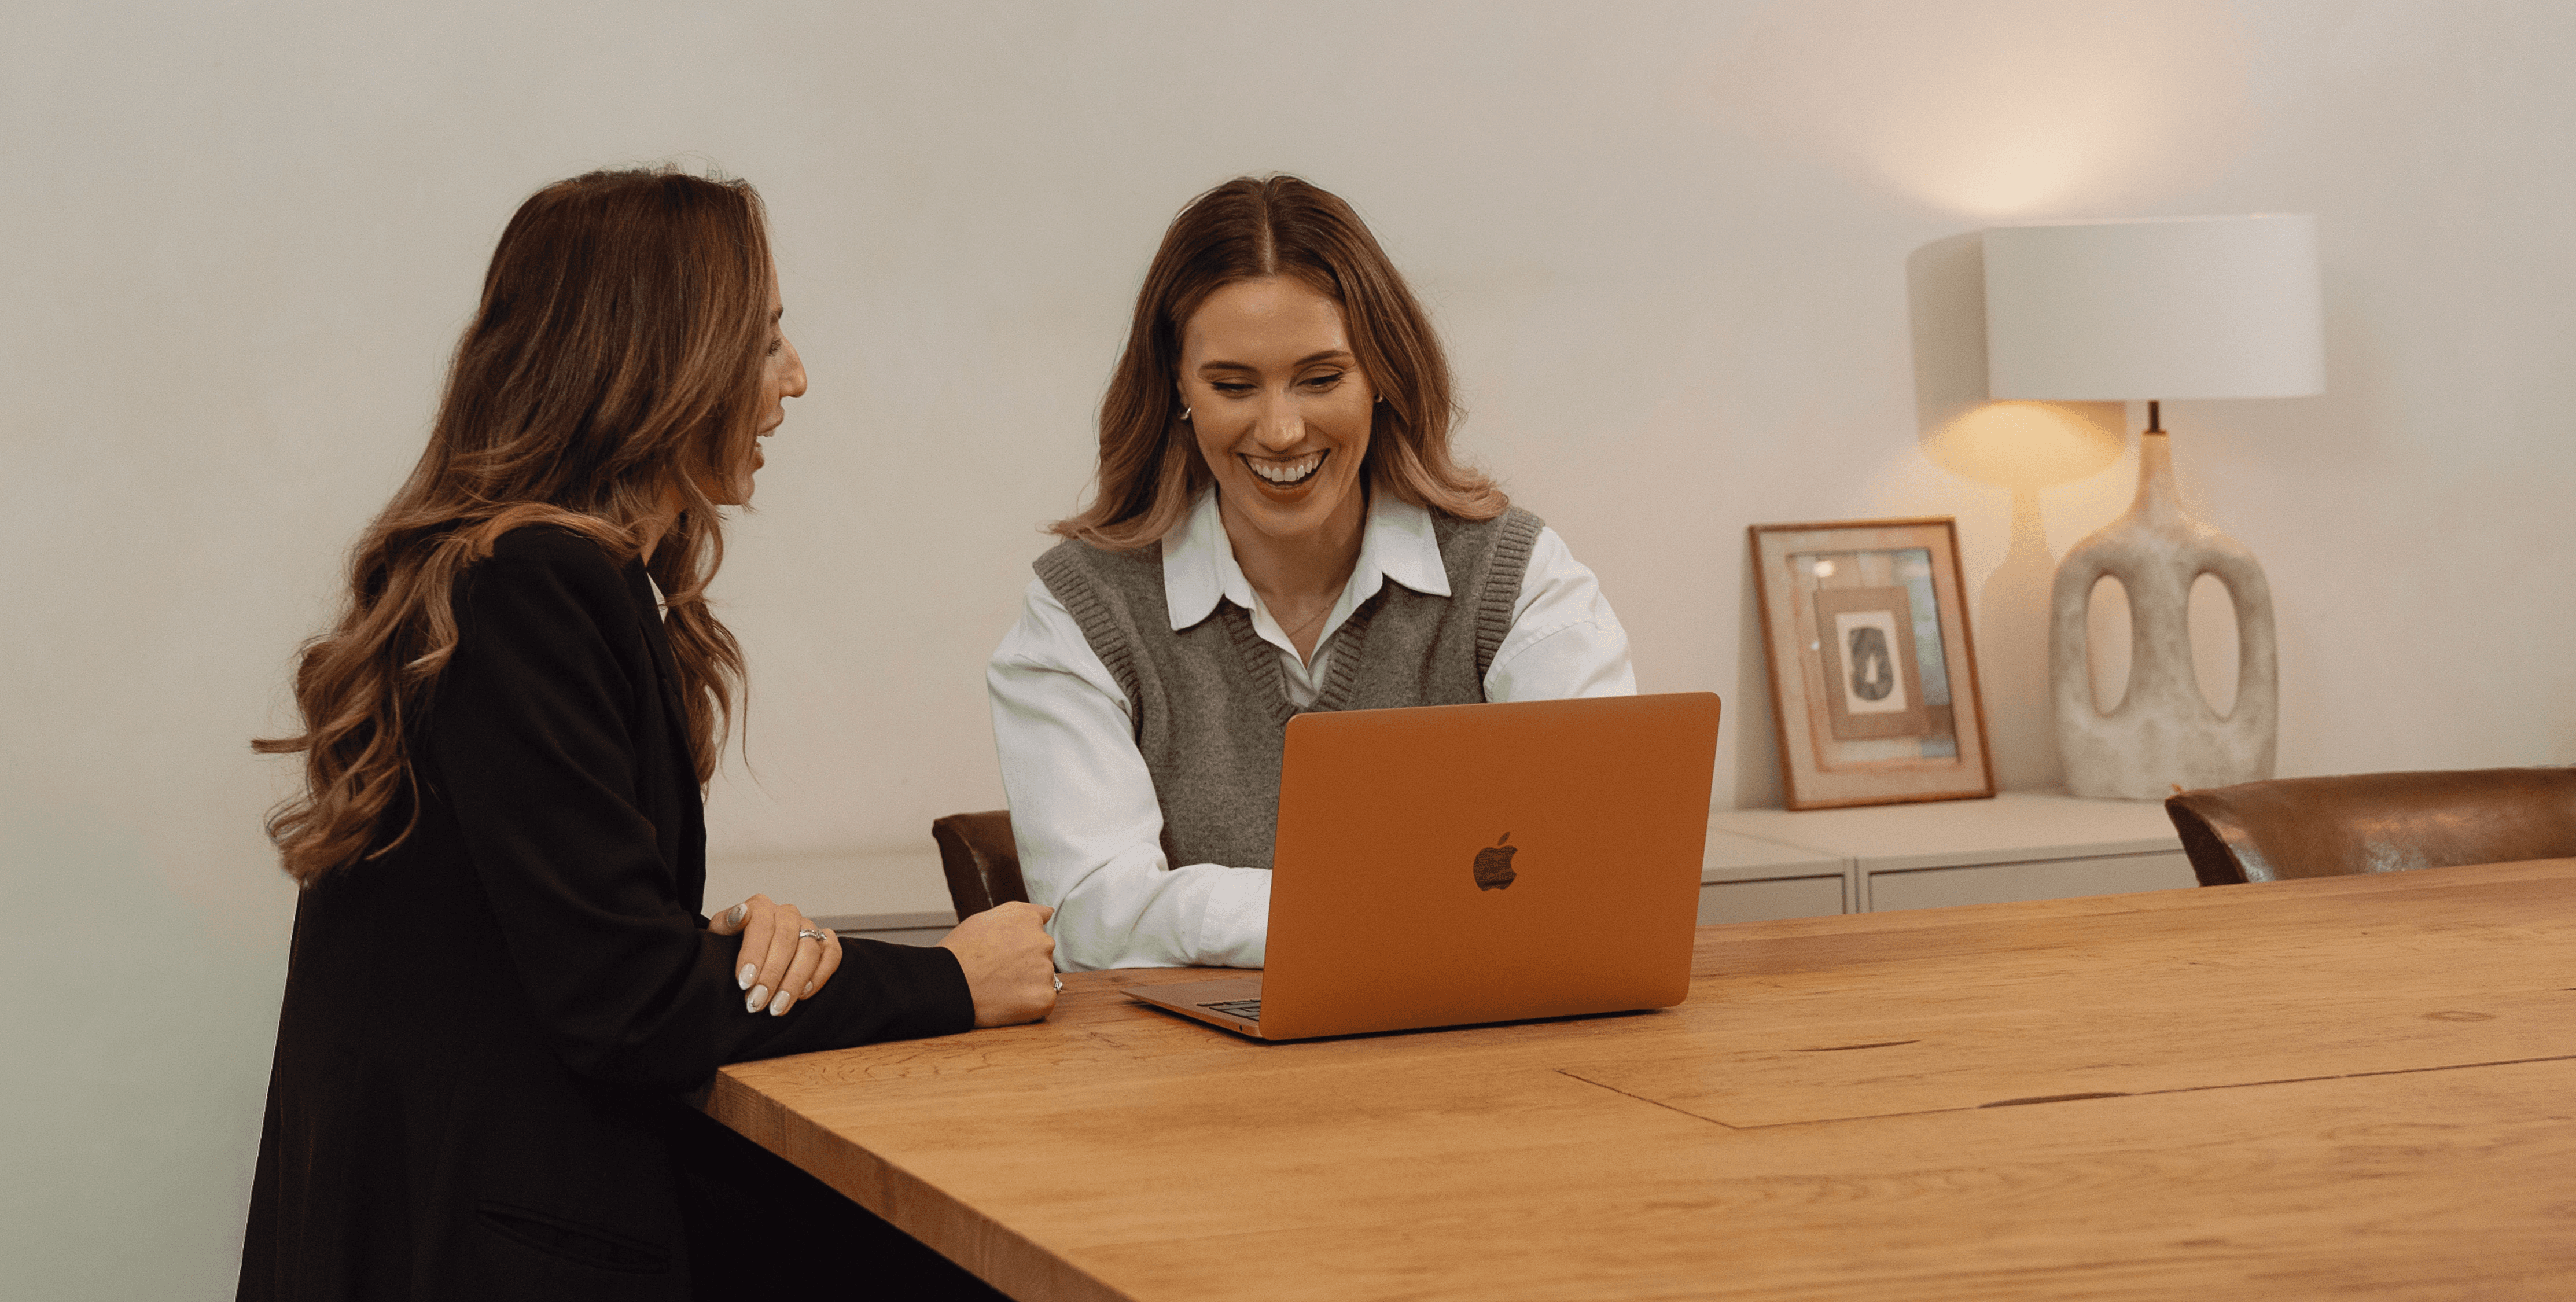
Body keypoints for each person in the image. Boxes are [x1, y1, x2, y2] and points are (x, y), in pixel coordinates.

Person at [240, 167, 1055, 1302]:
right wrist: (954, 979)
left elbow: (567, 947)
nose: (796, 377)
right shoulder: (533, 586)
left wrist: (727, 949)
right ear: (661, 362)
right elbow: (625, 1005)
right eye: (764, 340)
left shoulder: (521, 577)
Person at [989, 175, 1636, 972]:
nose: (1282, 429)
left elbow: (1605, 865)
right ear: (1177, 388)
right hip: (1192, 1057)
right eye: (1232, 386)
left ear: (1384, 375)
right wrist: (1384, 906)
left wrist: (1309, 913)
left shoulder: (1518, 578)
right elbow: (1094, 917)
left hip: (1480, 1040)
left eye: (1322, 379)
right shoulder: (1080, 611)